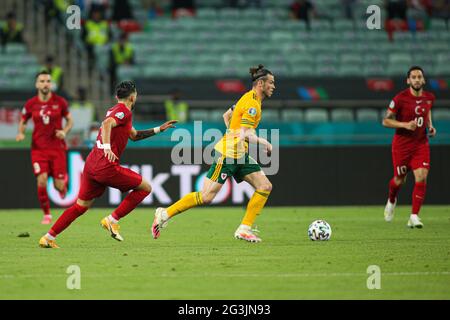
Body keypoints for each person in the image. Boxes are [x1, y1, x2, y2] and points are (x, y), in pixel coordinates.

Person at [38, 81, 177, 248]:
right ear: (133, 97)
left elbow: (133, 136)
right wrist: (107, 147)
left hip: (91, 165)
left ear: (116, 96)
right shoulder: (123, 111)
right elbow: (105, 124)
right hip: (106, 166)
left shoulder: (117, 111)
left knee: (80, 206)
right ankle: (112, 220)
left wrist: (158, 129)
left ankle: (48, 237)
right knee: (145, 188)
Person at [152, 65, 275, 243]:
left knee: (264, 186)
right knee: (206, 196)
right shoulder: (252, 105)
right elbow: (246, 132)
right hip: (228, 155)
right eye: (271, 83)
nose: (273, 86)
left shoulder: (248, 98)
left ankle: (244, 228)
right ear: (261, 83)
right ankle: (164, 214)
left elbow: (227, 116)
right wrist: (265, 142)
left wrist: (233, 134)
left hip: (240, 154)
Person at [16, 71, 73, 225]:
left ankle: (63, 183)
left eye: (48, 81)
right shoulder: (31, 104)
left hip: (57, 148)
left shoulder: (60, 102)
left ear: (51, 84)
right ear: (37, 84)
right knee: (41, 180)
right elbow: (23, 120)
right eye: (42, 81)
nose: (45, 83)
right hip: (38, 149)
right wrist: (21, 133)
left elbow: (69, 120)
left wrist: (64, 132)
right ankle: (47, 214)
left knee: (58, 185)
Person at [383, 66, 436, 228]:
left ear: (424, 80)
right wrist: (405, 124)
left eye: (419, 77)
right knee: (400, 180)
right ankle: (392, 200)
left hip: (420, 144)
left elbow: (426, 111)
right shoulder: (399, 99)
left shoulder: (429, 97)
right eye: (413, 77)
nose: (417, 79)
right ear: (408, 80)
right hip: (402, 145)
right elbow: (386, 121)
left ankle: (414, 216)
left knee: (421, 176)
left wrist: (430, 126)